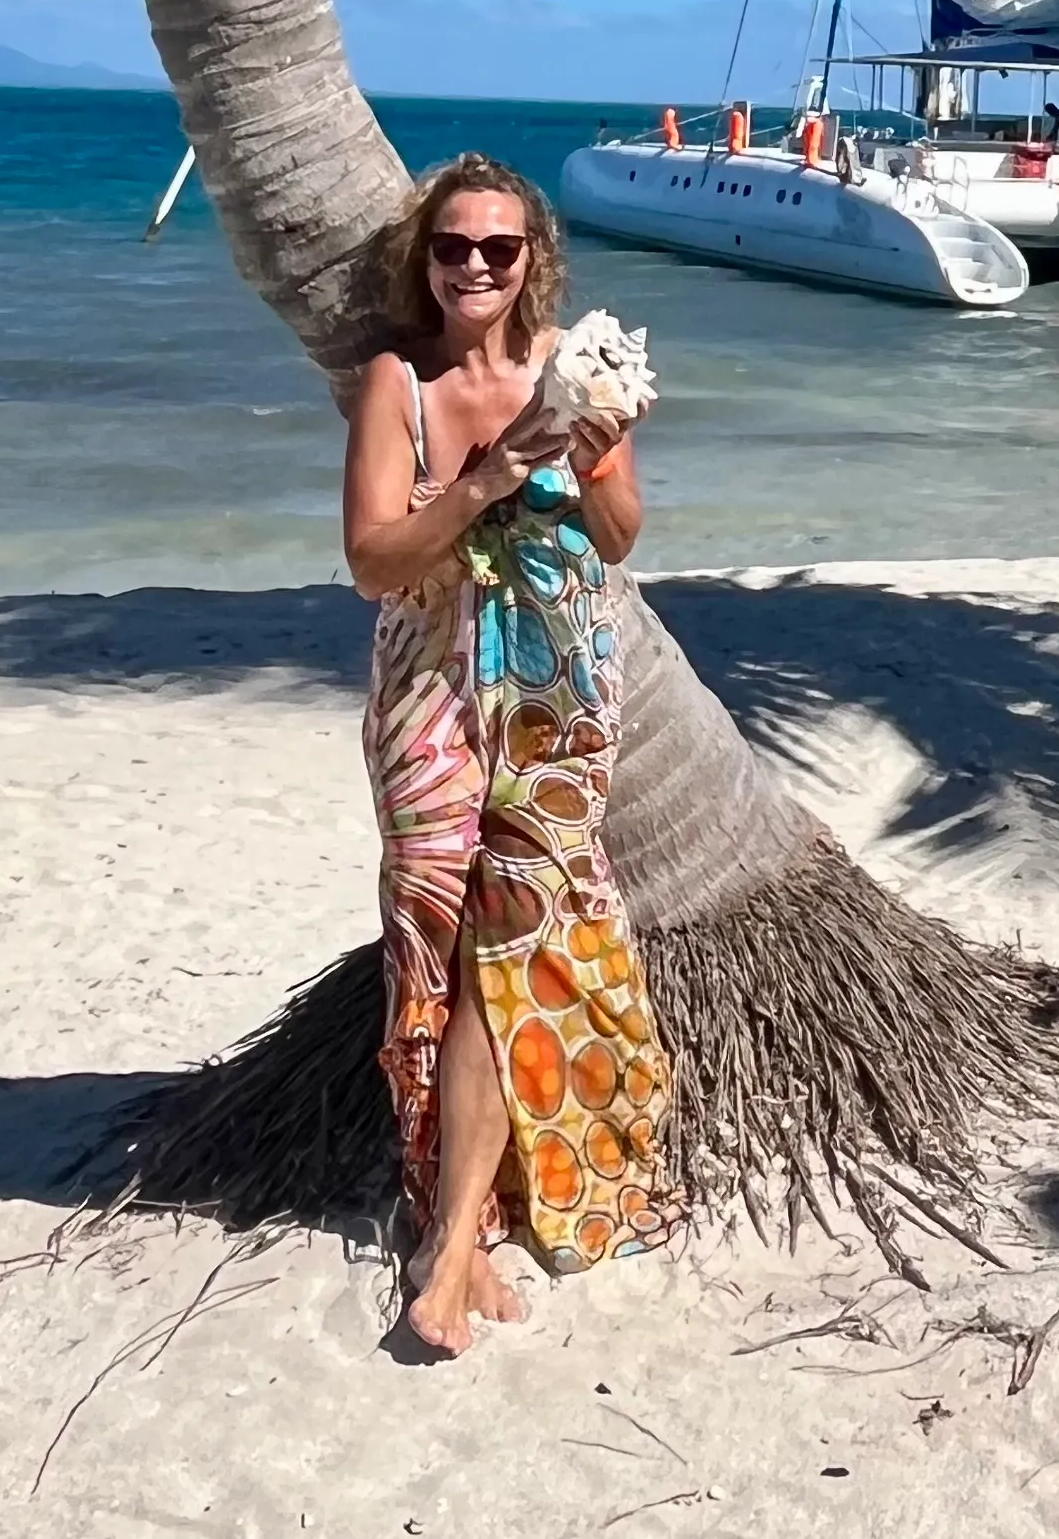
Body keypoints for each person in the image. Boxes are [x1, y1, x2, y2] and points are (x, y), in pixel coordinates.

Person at [342, 153, 669, 1357]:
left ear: (535, 259)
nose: (476, 265)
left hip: (556, 688)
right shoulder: (401, 381)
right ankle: (456, 1228)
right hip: (429, 681)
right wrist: (485, 474)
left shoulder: (569, 369)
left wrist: (591, 452)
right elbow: (376, 561)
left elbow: (621, 537)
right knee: (431, 935)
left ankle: (456, 1236)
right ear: (421, 259)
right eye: (453, 247)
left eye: (500, 247)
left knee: (511, 941)